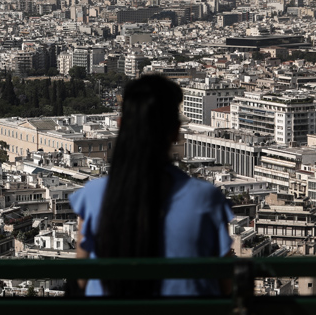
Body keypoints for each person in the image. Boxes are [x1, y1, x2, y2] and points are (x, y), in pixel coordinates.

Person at [68, 74, 233, 297]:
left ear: (120, 125)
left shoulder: (93, 196)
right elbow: (226, 286)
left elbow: (81, 280)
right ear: (175, 131)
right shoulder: (205, 199)